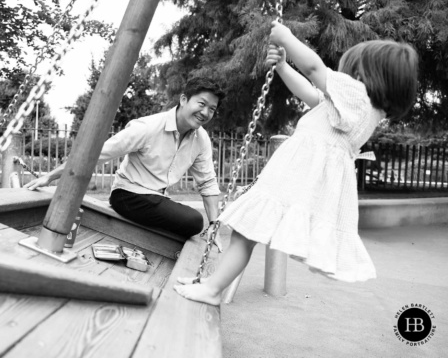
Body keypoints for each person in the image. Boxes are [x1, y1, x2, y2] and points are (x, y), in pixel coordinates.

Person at [174, 21, 419, 305]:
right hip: (301, 177)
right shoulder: (362, 109)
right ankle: (213, 284)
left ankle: (213, 289)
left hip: (297, 176)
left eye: (357, 70)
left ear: (371, 74)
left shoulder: (358, 97)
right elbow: (312, 94)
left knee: (246, 231)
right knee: (246, 231)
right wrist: (283, 68)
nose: (351, 75)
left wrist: (286, 37)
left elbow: (316, 71)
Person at [24, 77, 226, 246]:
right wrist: (50, 176)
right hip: (128, 195)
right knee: (193, 220)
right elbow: (97, 155)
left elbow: (207, 182)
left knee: (190, 222)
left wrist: (214, 226)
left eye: (212, 109)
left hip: (157, 199)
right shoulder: (147, 127)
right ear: (183, 99)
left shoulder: (201, 139)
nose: (206, 113)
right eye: (201, 104)